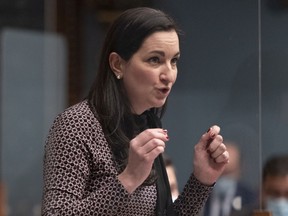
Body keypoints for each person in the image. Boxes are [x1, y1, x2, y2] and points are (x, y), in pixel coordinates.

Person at [41, 7, 229, 216]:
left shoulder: (146, 122)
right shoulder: (76, 124)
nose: (169, 74)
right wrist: (128, 179)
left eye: (173, 61)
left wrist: (202, 180)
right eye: (155, 60)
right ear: (117, 64)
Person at [200, 142, 257, 216]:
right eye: (220, 173)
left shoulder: (250, 200)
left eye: (229, 173)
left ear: (239, 170)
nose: (224, 178)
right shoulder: (198, 198)